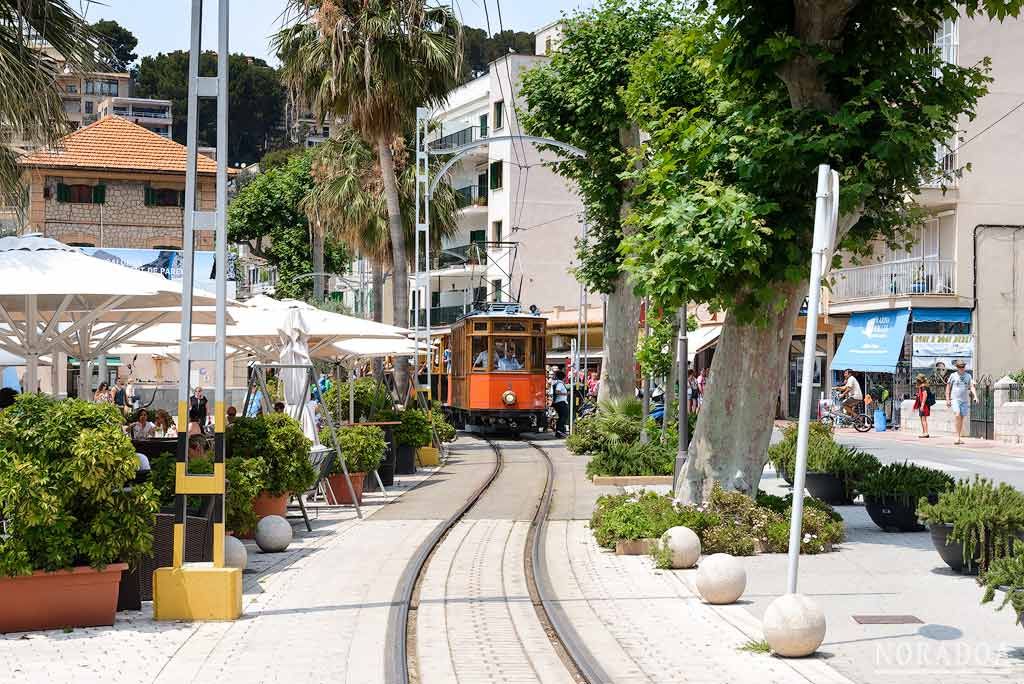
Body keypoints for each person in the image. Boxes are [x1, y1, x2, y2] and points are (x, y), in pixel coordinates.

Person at [946, 359, 978, 445]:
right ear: (957, 367)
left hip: (964, 400)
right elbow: (948, 387)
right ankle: (957, 437)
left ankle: (959, 437)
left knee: (962, 418)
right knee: (957, 415)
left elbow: (971, 386)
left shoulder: (968, 376)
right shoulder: (953, 375)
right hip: (955, 399)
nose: (961, 368)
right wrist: (948, 399)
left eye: (963, 367)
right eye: (960, 367)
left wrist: (975, 396)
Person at [911, 374, 934, 438]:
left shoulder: (923, 386)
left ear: (920, 380)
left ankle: (926, 433)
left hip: (924, 405)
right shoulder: (923, 386)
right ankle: (924, 432)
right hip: (923, 405)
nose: (916, 381)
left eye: (917, 380)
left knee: (923, 419)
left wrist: (922, 405)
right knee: (922, 419)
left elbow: (925, 395)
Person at [551, 369, 570, 438]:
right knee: (563, 417)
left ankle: (559, 432)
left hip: (558, 402)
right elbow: (557, 392)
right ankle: (560, 431)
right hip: (561, 402)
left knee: (561, 417)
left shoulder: (557, 383)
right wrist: (566, 393)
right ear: (563, 377)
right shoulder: (560, 384)